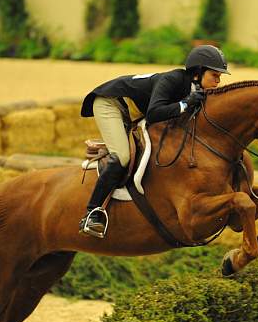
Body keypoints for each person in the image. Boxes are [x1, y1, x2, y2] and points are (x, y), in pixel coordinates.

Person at [79, 45, 230, 235]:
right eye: (215, 75)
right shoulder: (173, 79)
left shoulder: (197, 90)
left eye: (220, 77)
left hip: (132, 110)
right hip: (111, 103)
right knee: (123, 156)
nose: (218, 81)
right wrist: (185, 103)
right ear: (198, 73)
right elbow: (153, 114)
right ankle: (92, 212)